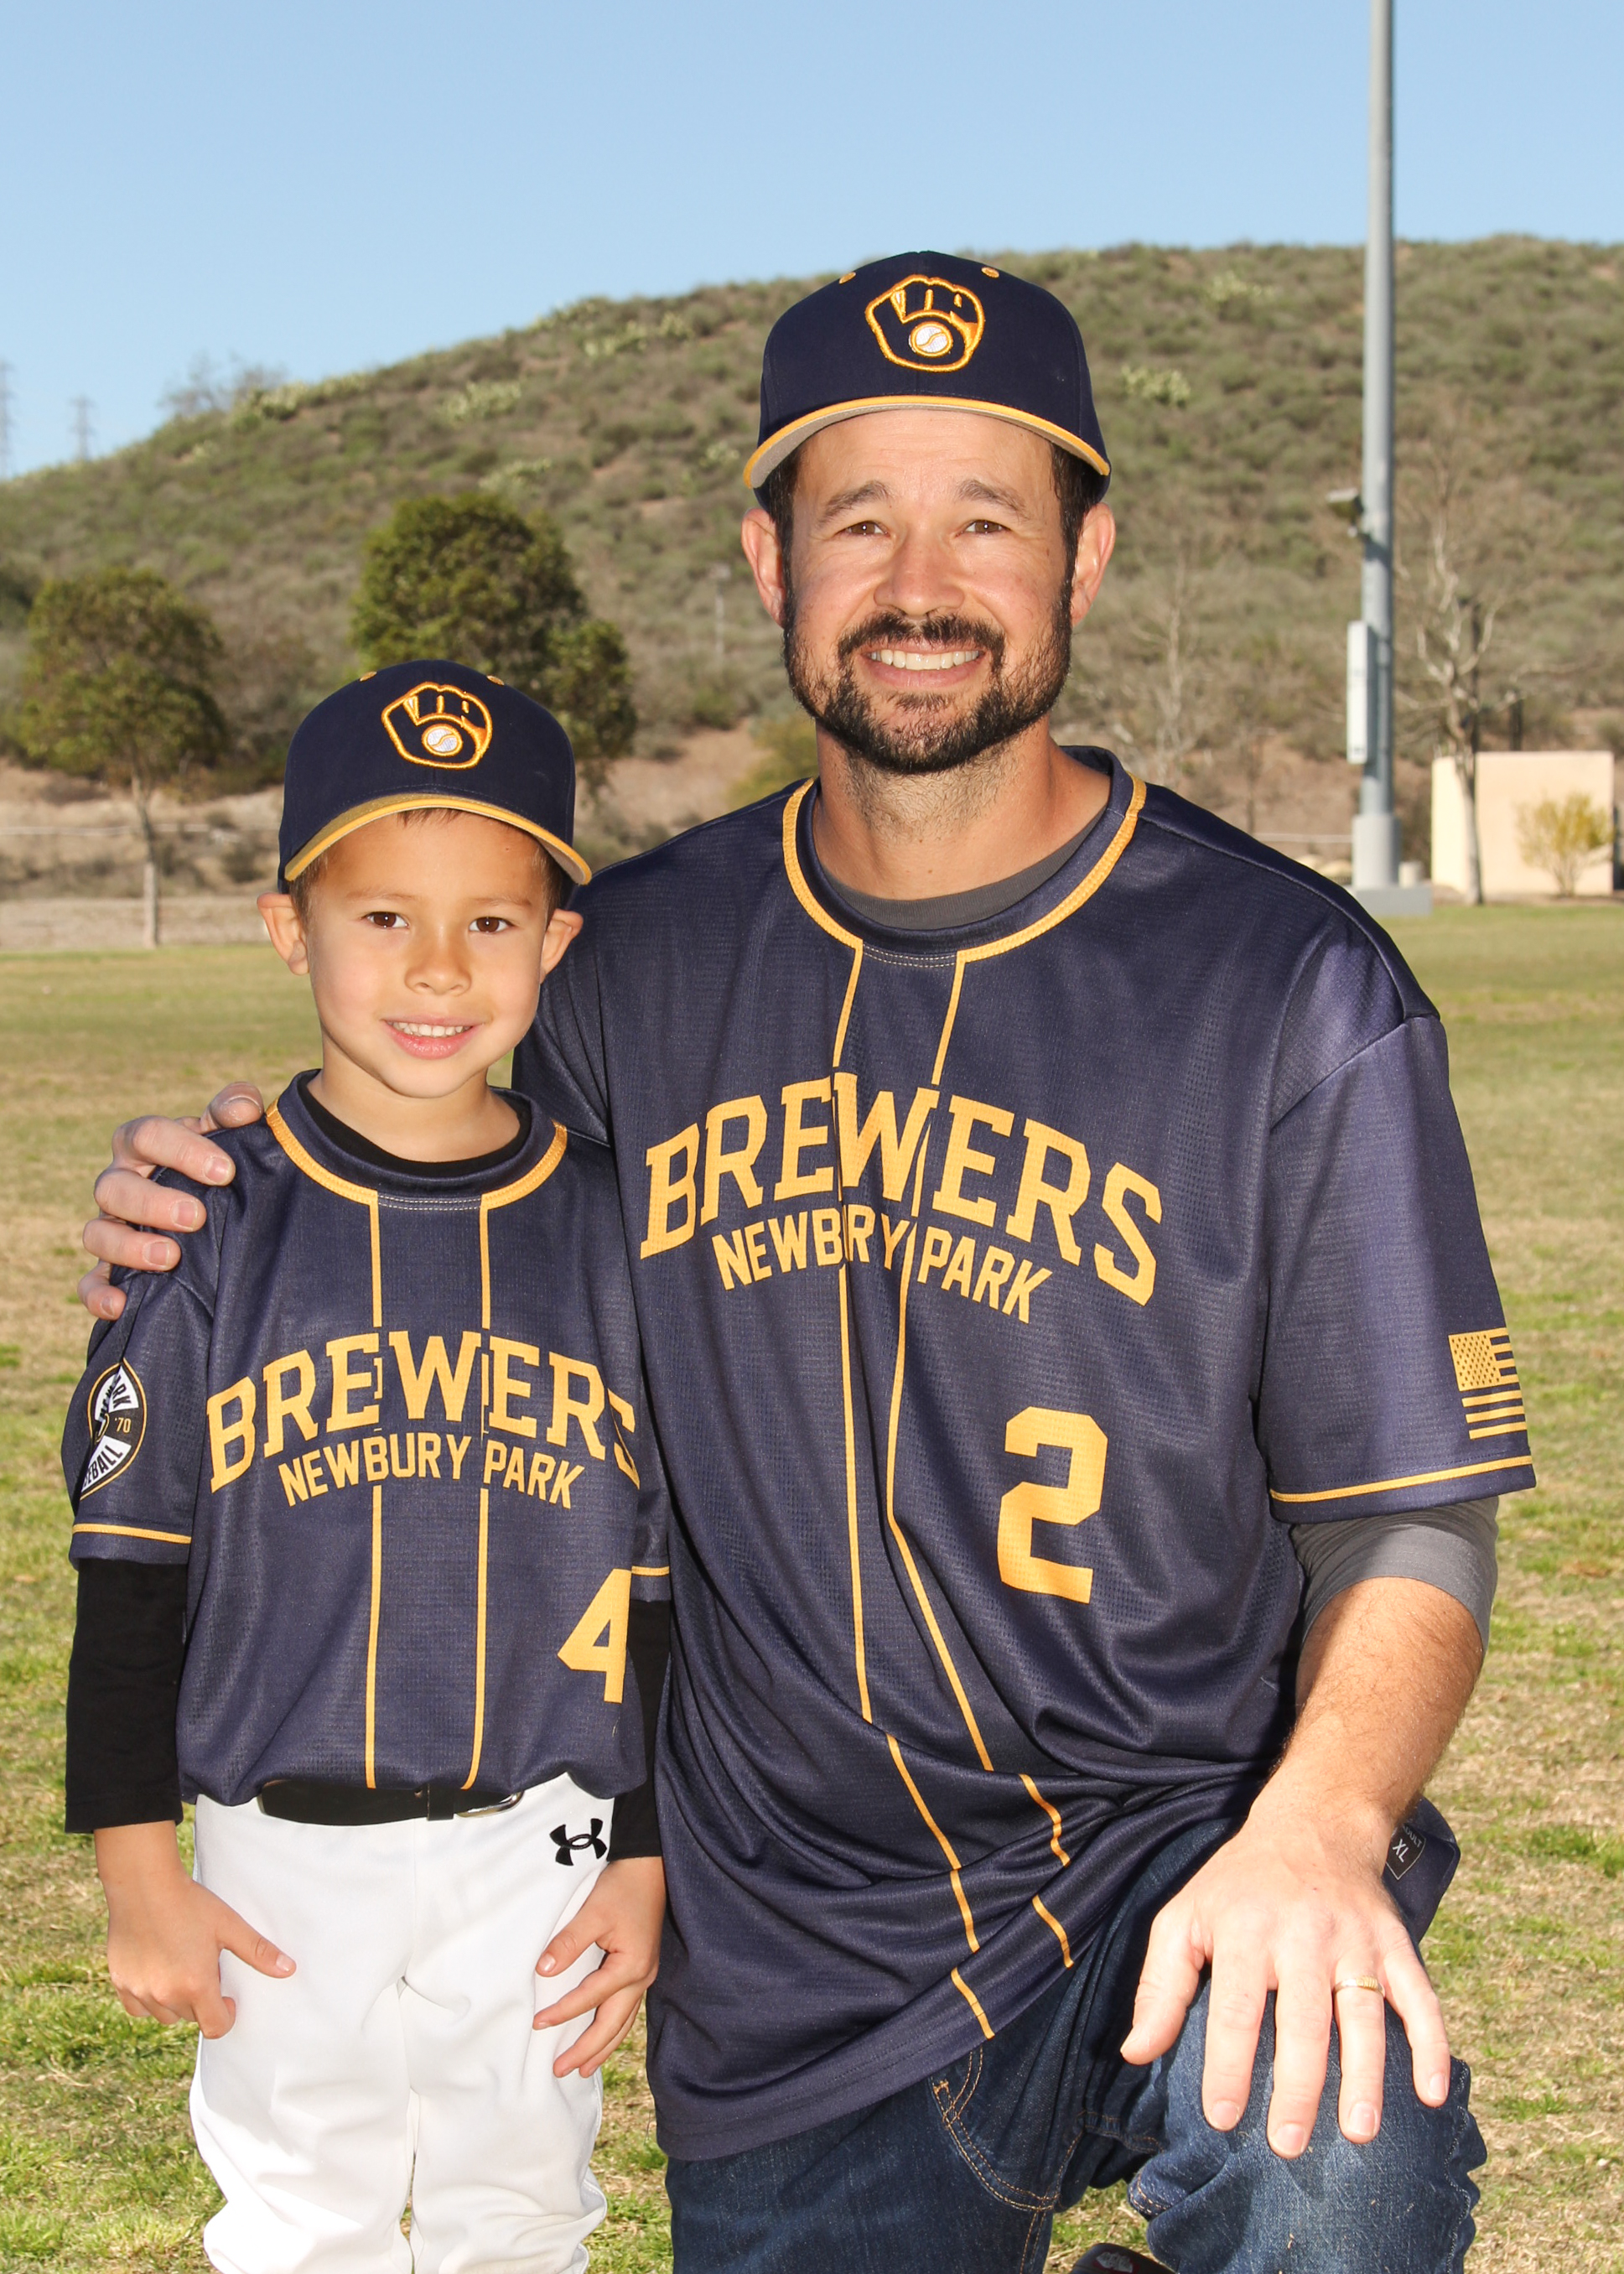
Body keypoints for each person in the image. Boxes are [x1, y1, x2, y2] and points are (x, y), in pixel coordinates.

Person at [80, 257, 1530, 2274]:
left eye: (987, 522)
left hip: (1175, 1854)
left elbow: (1416, 1516)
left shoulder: (1289, 987)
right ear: (771, 561)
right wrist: (206, 1186)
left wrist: (1320, 1830)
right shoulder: (635, 965)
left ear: (1087, 557)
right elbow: (410, 1129)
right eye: (859, 522)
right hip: (791, 1950)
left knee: (1343, 2161)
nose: (919, 585)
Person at [63, 663, 672, 2274]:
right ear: (291, 929)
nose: (437, 967)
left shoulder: (612, 1228)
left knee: (522, 2213)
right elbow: (128, 1576)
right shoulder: (207, 1224)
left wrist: (642, 1849)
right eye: (383, 916)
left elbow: (659, 1588)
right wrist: (137, 1872)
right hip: (278, 1842)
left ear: (555, 941)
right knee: (297, 2217)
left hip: (541, 1828)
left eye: (491, 921)